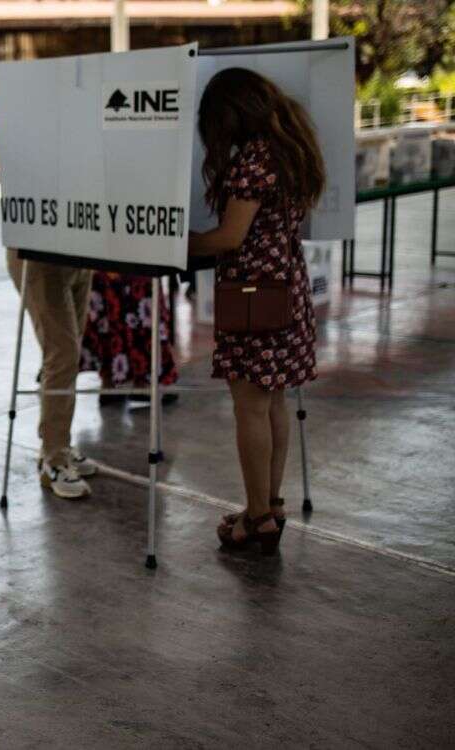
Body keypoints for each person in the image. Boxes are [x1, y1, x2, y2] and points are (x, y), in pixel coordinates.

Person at [188, 68, 324, 555]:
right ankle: (269, 503)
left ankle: (257, 517)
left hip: (252, 292)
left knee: (249, 406)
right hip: (286, 287)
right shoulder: (288, 147)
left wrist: (184, 244)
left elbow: (230, 237)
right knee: (274, 402)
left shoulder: (253, 158)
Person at [5, 250, 96, 498]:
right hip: (38, 256)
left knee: (68, 352)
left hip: (81, 255)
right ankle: (54, 459)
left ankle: (56, 446)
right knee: (62, 354)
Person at [79, 272, 178, 405]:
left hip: (104, 264)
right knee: (142, 314)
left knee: (108, 318)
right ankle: (143, 382)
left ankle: (111, 382)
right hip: (136, 264)